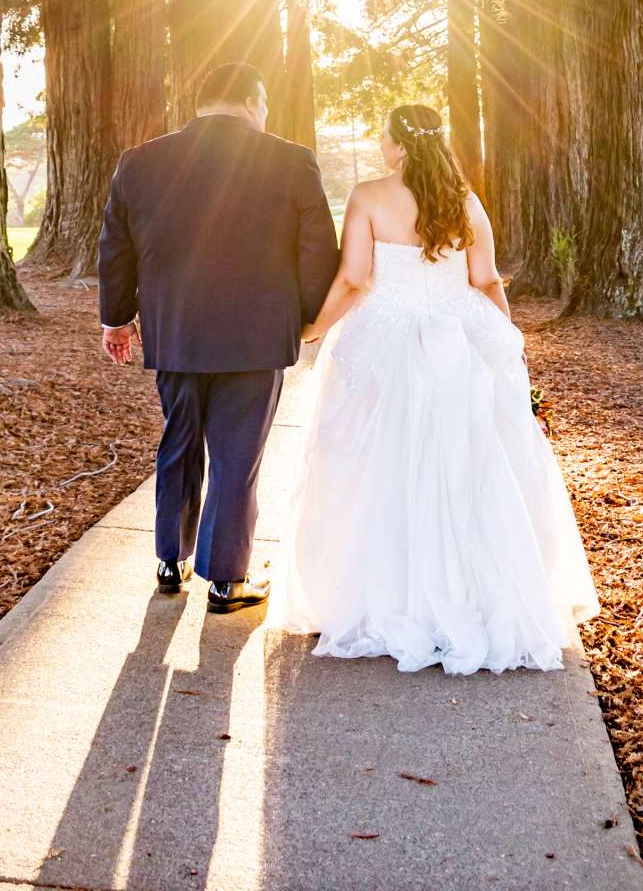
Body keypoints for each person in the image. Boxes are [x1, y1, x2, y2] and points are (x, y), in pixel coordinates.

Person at [276, 102, 597, 674]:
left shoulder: (370, 195)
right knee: (464, 464)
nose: (379, 143)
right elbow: (486, 280)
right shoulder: (465, 201)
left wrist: (312, 329)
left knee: (373, 461)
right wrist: (507, 346)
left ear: (395, 142)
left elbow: (353, 278)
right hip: (459, 339)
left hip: (382, 339)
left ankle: (379, 594)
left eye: (381, 134)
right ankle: (472, 598)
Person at [97, 62, 338, 613]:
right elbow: (317, 249)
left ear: (201, 102)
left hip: (175, 330)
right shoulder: (291, 160)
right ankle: (227, 580)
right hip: (255, 335)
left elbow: (116, 248)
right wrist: (304, 319)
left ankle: (169, 561)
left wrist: (116, 319)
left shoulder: (140, 162)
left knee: (178, 441)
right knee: (237, 454)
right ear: (254, 102)